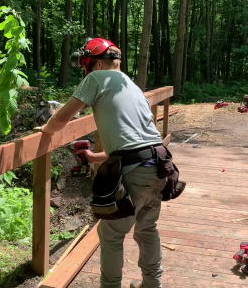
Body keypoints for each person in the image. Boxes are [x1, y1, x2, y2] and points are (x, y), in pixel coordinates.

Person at [41, 38, 165, 288]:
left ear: (96, 62)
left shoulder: (97, 78)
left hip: (136, 170)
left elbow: (63, 117)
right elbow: (136, 137)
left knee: (110, 235)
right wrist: (98, 157)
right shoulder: (132, 85)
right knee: (146, 229)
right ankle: (152, 284)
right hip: (161, 164)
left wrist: (46, 129)